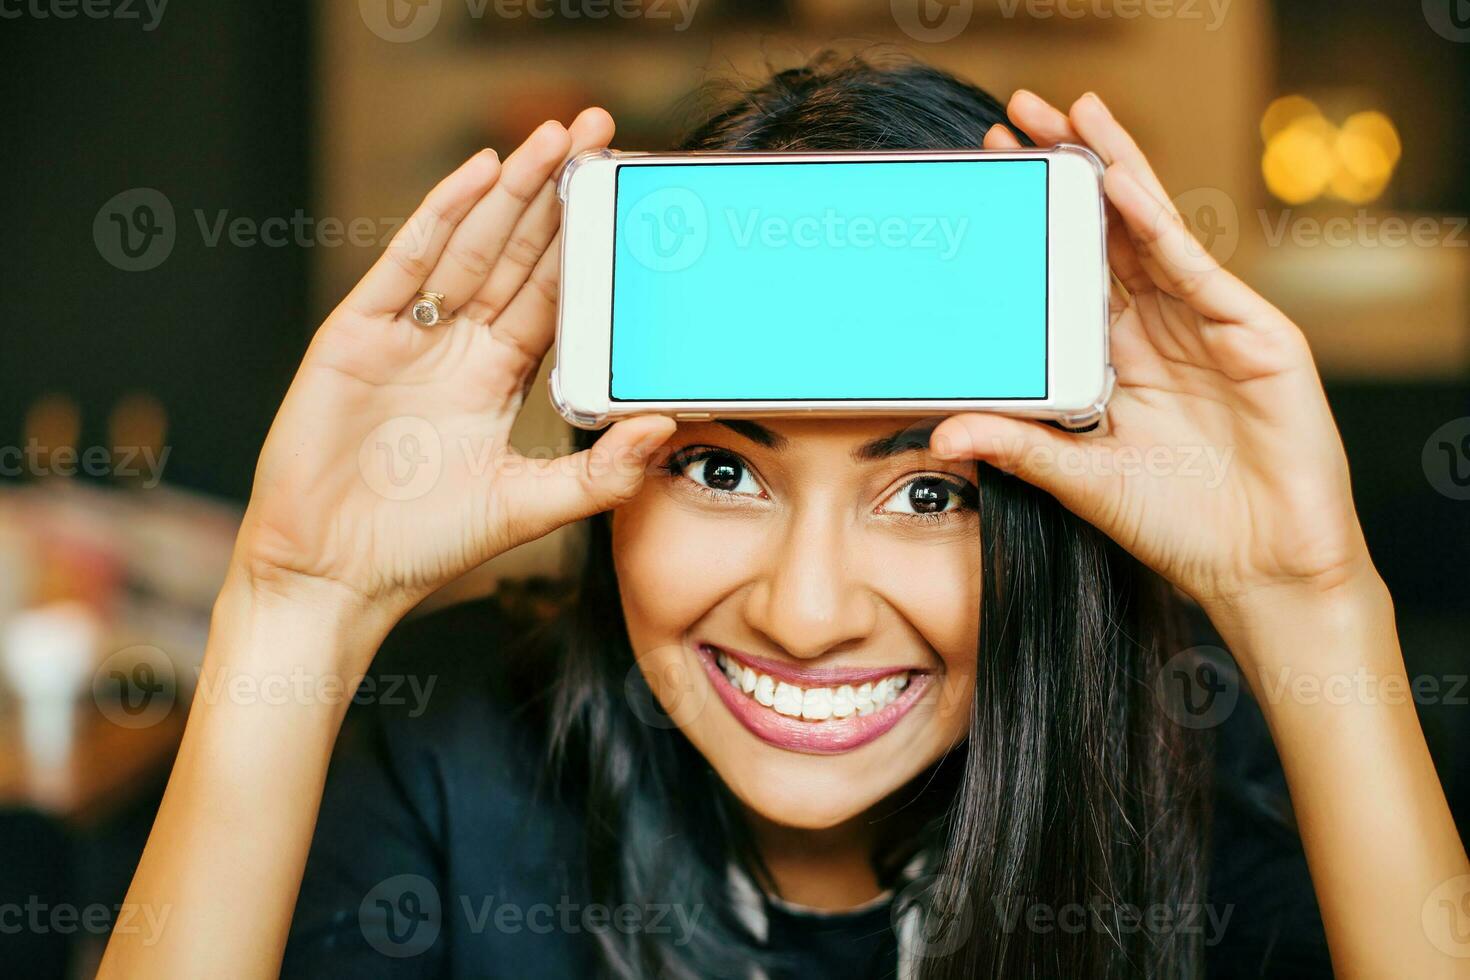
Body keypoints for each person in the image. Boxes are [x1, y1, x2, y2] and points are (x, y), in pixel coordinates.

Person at [98, 53, 1469, 979]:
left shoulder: (1193, 778)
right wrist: (293, 610)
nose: (805, 614)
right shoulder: (448, 770)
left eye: (929, 491)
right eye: (718, 470)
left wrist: (1311, 601)